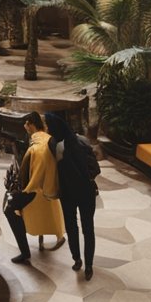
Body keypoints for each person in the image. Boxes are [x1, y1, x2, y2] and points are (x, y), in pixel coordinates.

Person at [4, 111, 66, 265]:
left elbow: (36, 177)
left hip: (38, 189)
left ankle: (25, 252)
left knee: (9, 209)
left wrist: (23, 192)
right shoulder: (46, 138)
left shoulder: (37, 148)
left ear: (30, 124)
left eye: (26, 124)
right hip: (50, 186)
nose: (25, 127)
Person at [46, 112, 99, 281]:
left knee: (71, 227)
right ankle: (89, 266)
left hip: (67, 193)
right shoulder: (82, 140)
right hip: (86, 192)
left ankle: (77, 259)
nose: (47, 128)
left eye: (48, 125)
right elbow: (94, 166)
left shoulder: (53, 144)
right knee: (88, 228)